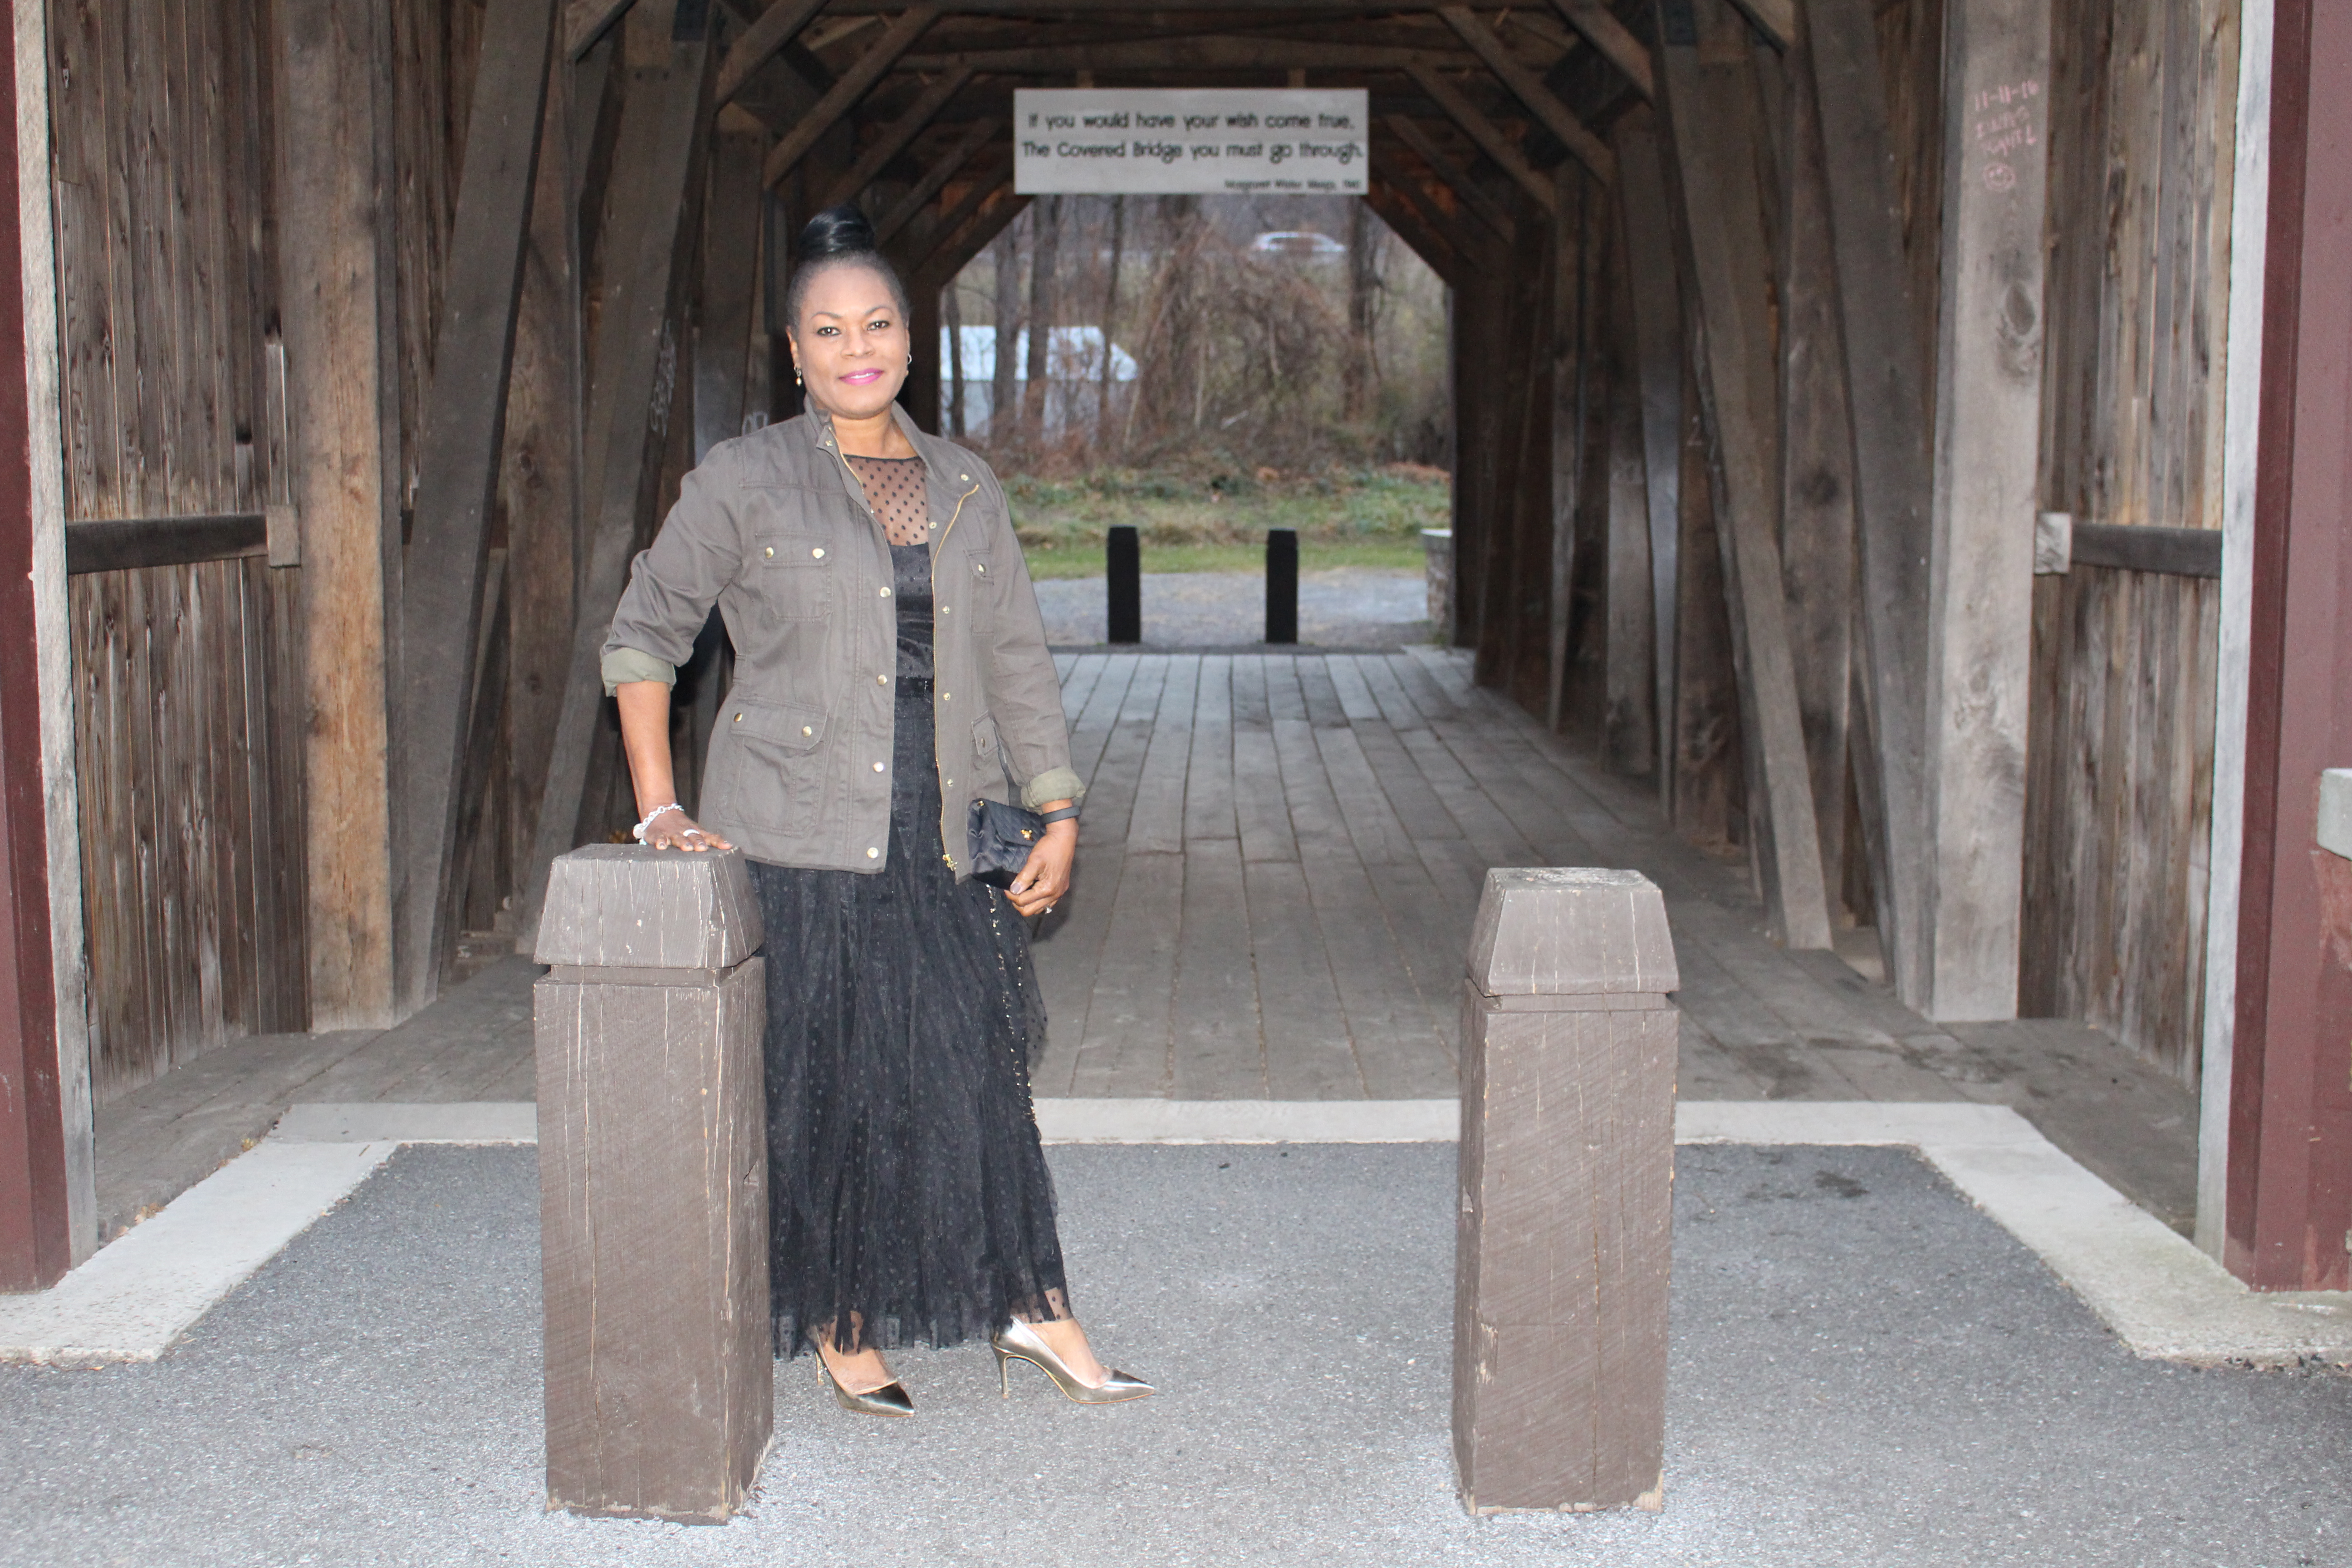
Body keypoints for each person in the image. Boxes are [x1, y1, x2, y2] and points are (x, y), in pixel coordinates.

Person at [598, 205, 1152, 1416]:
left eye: (880, 323)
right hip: (800, 831)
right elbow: (644, 639)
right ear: (793, 353)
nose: (860, 347)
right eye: (829, 329)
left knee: (973, 1069)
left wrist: (1056, 808)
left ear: (910, 335)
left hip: (946, 825)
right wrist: (659, 811)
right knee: (833, 1084)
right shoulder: (747, 480)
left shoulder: (964, 484)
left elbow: (1013, 657)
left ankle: (1030, 1305)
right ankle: (847, 1321)